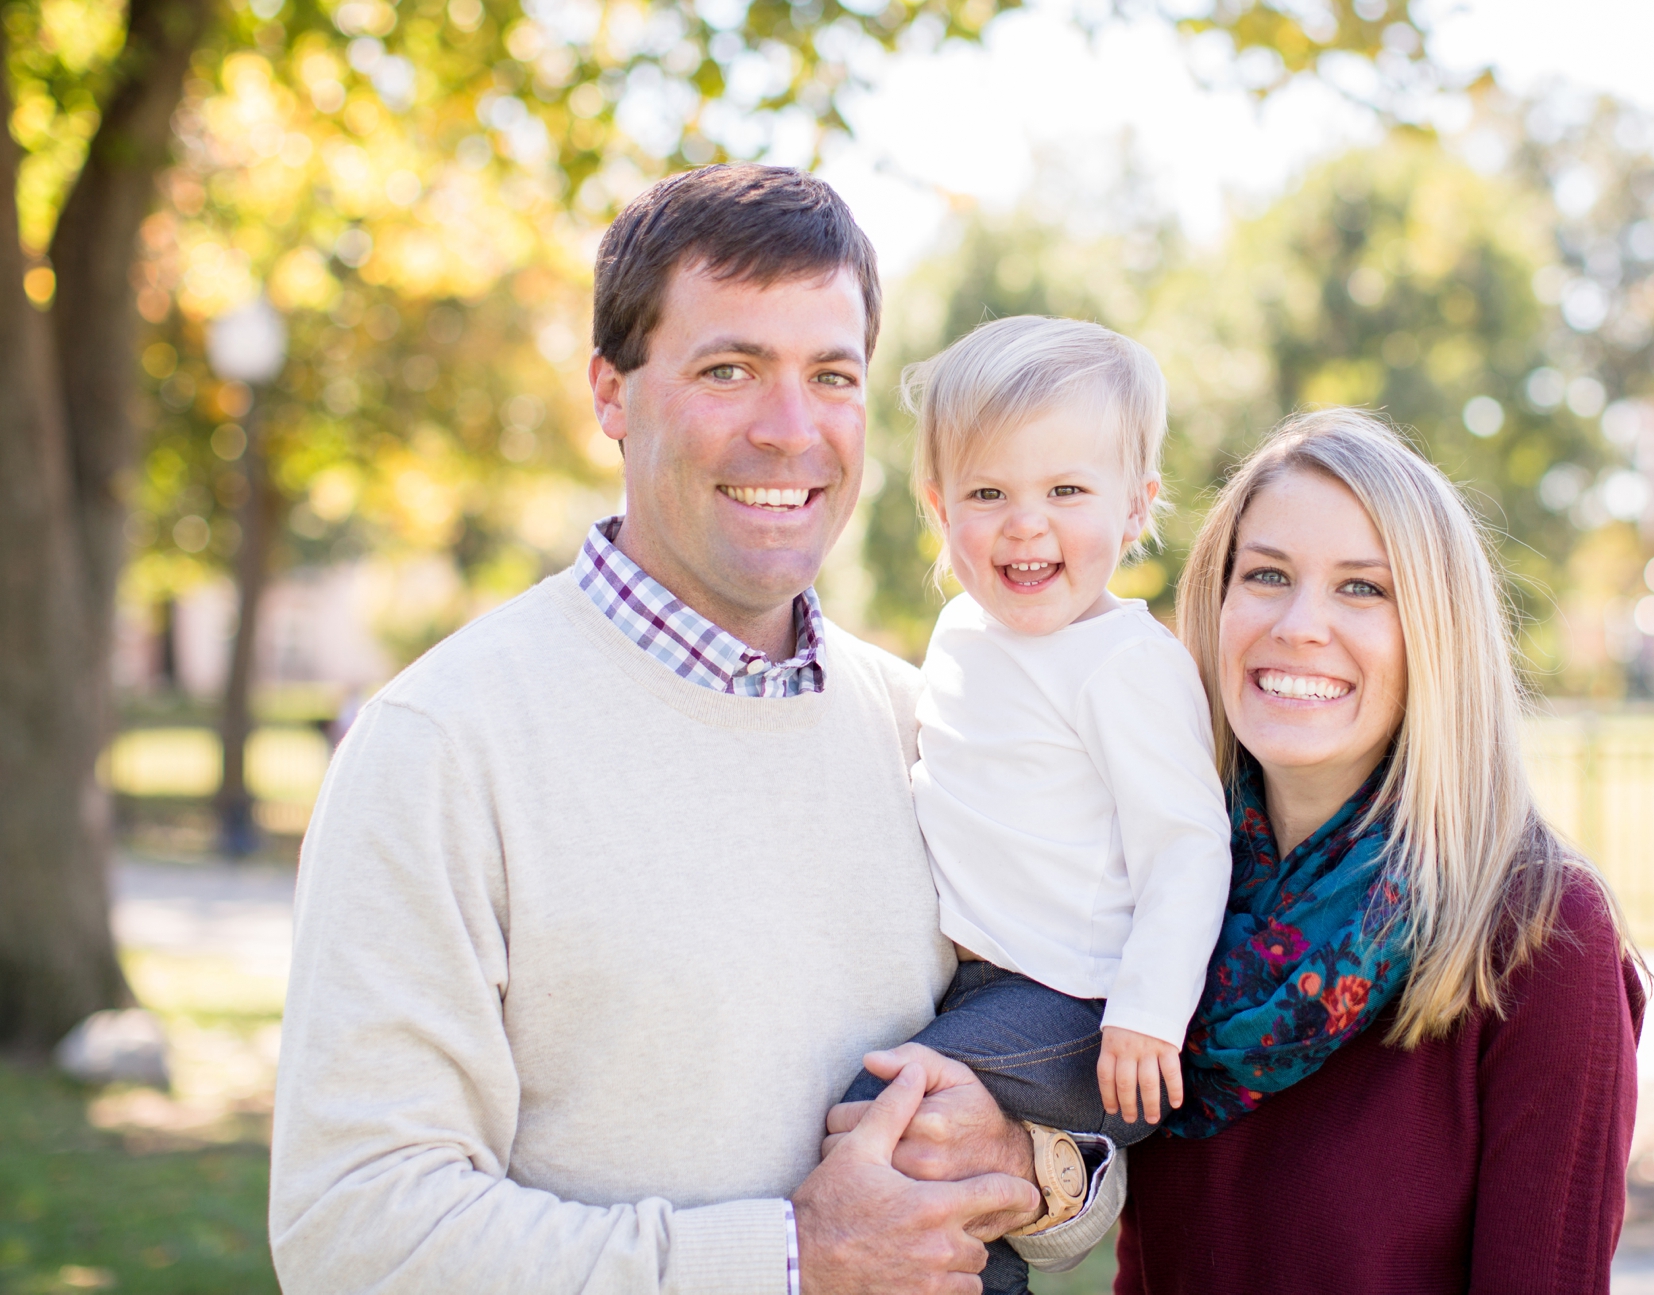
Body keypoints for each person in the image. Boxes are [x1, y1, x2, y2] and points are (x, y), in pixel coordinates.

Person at [268, 164, 1123, 1295]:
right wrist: (788, 1262)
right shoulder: (441, 745)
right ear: (611, 395)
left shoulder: (927, 725)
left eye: (831, 375)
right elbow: (355, 1235)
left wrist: (1028, 1168)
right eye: (730, 370)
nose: (789, 430)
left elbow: (1070, 1114)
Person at [1115, 408, 1647, 1294]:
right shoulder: (1166, 903)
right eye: (1267, 574)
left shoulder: (1543, 936)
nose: (1300, 624)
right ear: (1215, 601)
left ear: (1435, 634)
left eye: (1363, 588)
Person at [832, 317, 1232, 1294]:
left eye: (1065, 490)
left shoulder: (1124, 664)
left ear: (1134, 509)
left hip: (1089, 1008)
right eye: (987, 492)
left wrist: (1146, 1011)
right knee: (950, 1172)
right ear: (937, 507)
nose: (1025, 522)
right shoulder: (962, 630)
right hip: (988, 990)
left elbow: (1187, 846)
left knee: (885, 1110)